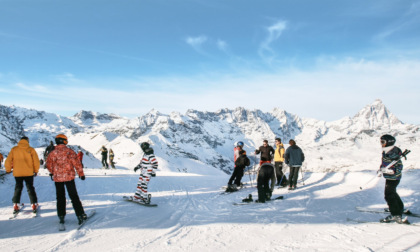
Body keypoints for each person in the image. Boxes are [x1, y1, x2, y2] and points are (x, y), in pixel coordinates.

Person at [46, 134, 87, 225]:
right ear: (63, 141)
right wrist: (81, 174)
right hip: (69, 178)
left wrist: (53, 172)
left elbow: (48, 164)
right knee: (74, 196)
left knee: (60, 197)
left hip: (57, 179)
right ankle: (80, 215)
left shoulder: (53, 152)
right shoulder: (69, 151)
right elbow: (77, 164)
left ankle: (61, 216)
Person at [5, 136, 40, 213]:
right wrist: (36, 170)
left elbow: (8, 161)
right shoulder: (31, 149)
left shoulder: (14, 149)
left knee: (18, 188)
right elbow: (36, 161)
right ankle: (33, 204)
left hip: (17, 173)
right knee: (30, 188)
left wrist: (8, 170)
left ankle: (16, 205)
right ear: (27, 141)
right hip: (29, 173)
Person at [379, 134, 405, 224]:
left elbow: (398, 168)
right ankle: (399, 208)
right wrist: (381, 169)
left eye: (383, 142)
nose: (381, 144)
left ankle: (395, 214)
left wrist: (387, 171)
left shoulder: (393, 153)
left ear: (388, 142)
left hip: (393, 178)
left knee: (389, 195)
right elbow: (385, 163)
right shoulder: (387, 151)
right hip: (390, 177)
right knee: (392, 193)